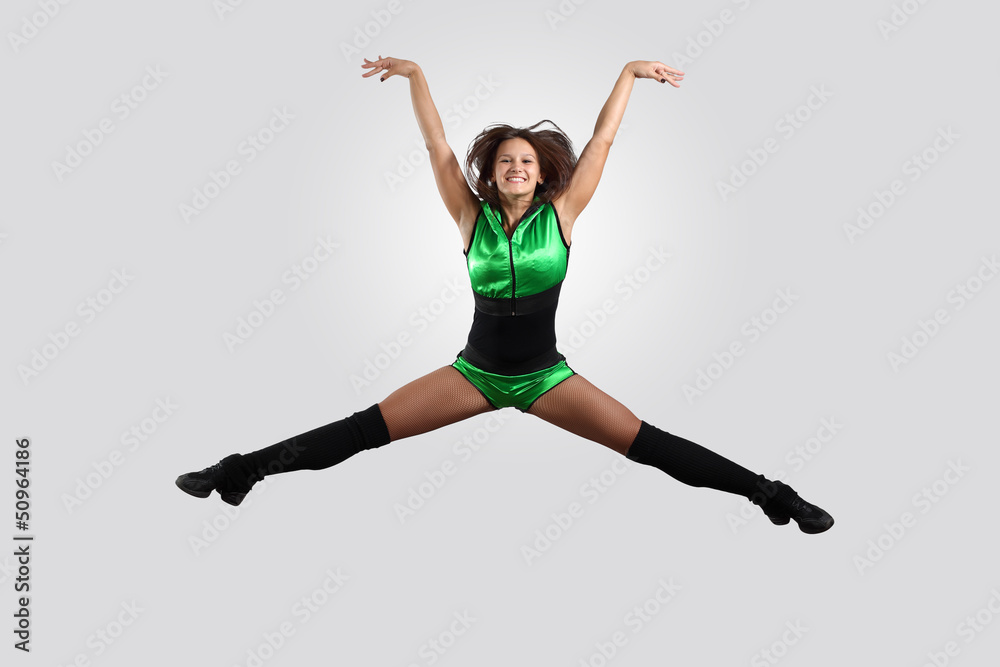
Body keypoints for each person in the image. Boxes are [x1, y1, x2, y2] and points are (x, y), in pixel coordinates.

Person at [176, 56, 834, 534]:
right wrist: (415, 77)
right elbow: (436, 144)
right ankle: (237, 472)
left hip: (547, 378)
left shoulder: (564, 215)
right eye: (504, 162)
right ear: (490, 176)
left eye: (527, 160)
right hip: (476, 374)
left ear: (543, 172)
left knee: (652, 446)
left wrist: (630, 75)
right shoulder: (471, 218)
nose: (516, 167)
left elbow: (602, 140)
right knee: (360, 431)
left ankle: (773, 495)